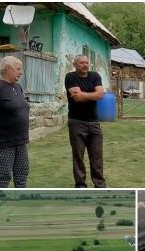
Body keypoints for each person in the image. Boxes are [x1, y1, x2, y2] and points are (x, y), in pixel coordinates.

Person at [0, 56, 30, 188]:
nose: (21, 72)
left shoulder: (18, 87)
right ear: (8, 69)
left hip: (21, 140)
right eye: (18, 69)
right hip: (3, 142)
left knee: (22, 174)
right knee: (4, 176)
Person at [64, 55, 106, 188]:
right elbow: (77, 99)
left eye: (87, 62)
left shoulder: (95, 76)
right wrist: (91, 95)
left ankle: (99, 185)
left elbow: (100, 95)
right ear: (75, 65)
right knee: (78, 156)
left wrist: (84, 94)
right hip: (76, 122)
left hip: (94, 122)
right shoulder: (70, 77)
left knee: (97, 156)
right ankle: (81, 185)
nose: (85, 65)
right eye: (81, 63)